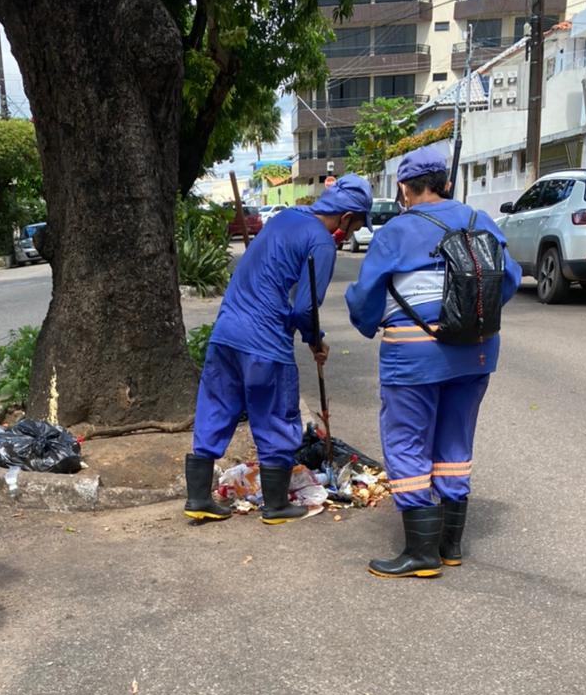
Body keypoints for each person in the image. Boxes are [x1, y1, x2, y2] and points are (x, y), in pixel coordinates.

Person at [345, 147, 522, 577]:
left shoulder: (397, 231)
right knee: (455, 443)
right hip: (477, 350)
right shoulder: (482, 221)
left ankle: (421, 553)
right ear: (444, 181)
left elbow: (367, 296)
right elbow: (510, 280)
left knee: (407, 442)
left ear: (405, 189)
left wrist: (366, 322)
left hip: (414, 354)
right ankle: (451, 545)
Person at [185, 176, 373, 525]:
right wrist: (316, 341)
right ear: (346, 217)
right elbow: (304, 309)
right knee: (275, 415)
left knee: (216, 407)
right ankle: (275, 506)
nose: (351, 234)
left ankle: (198, 498)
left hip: (225, 333)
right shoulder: (322, 245)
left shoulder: (284, 218)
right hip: (265, 342)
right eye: (358, 224)